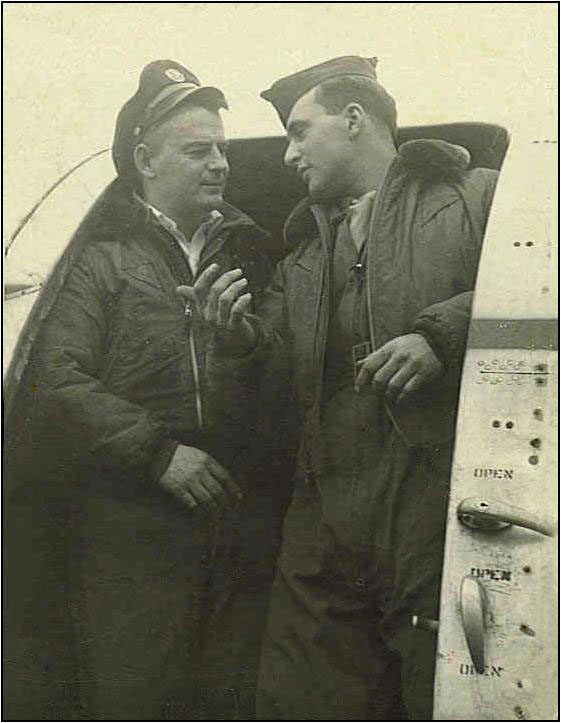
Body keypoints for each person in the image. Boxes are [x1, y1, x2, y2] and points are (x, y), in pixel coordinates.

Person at [3, 60, 285, 721]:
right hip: (129, 526)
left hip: (230, 516)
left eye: (220, 148)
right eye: (197, 150)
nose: (219, 163)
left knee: (226, 697)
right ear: (144, 160)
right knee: (138, 695)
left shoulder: (249, 251)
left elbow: (284, 378)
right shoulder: (99, 258)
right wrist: (159, 453)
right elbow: (54, 378)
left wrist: (246, 346)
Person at [236, 55, 498, 720]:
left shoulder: (478, 195)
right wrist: (234, 341)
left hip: (428, 503)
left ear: (353, 118)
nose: (289, 155)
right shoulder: (297, 252)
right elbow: (269, 371)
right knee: (299, 699)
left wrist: (440, 335)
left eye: (300, 131)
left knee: (448, 694)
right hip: (322, 512)